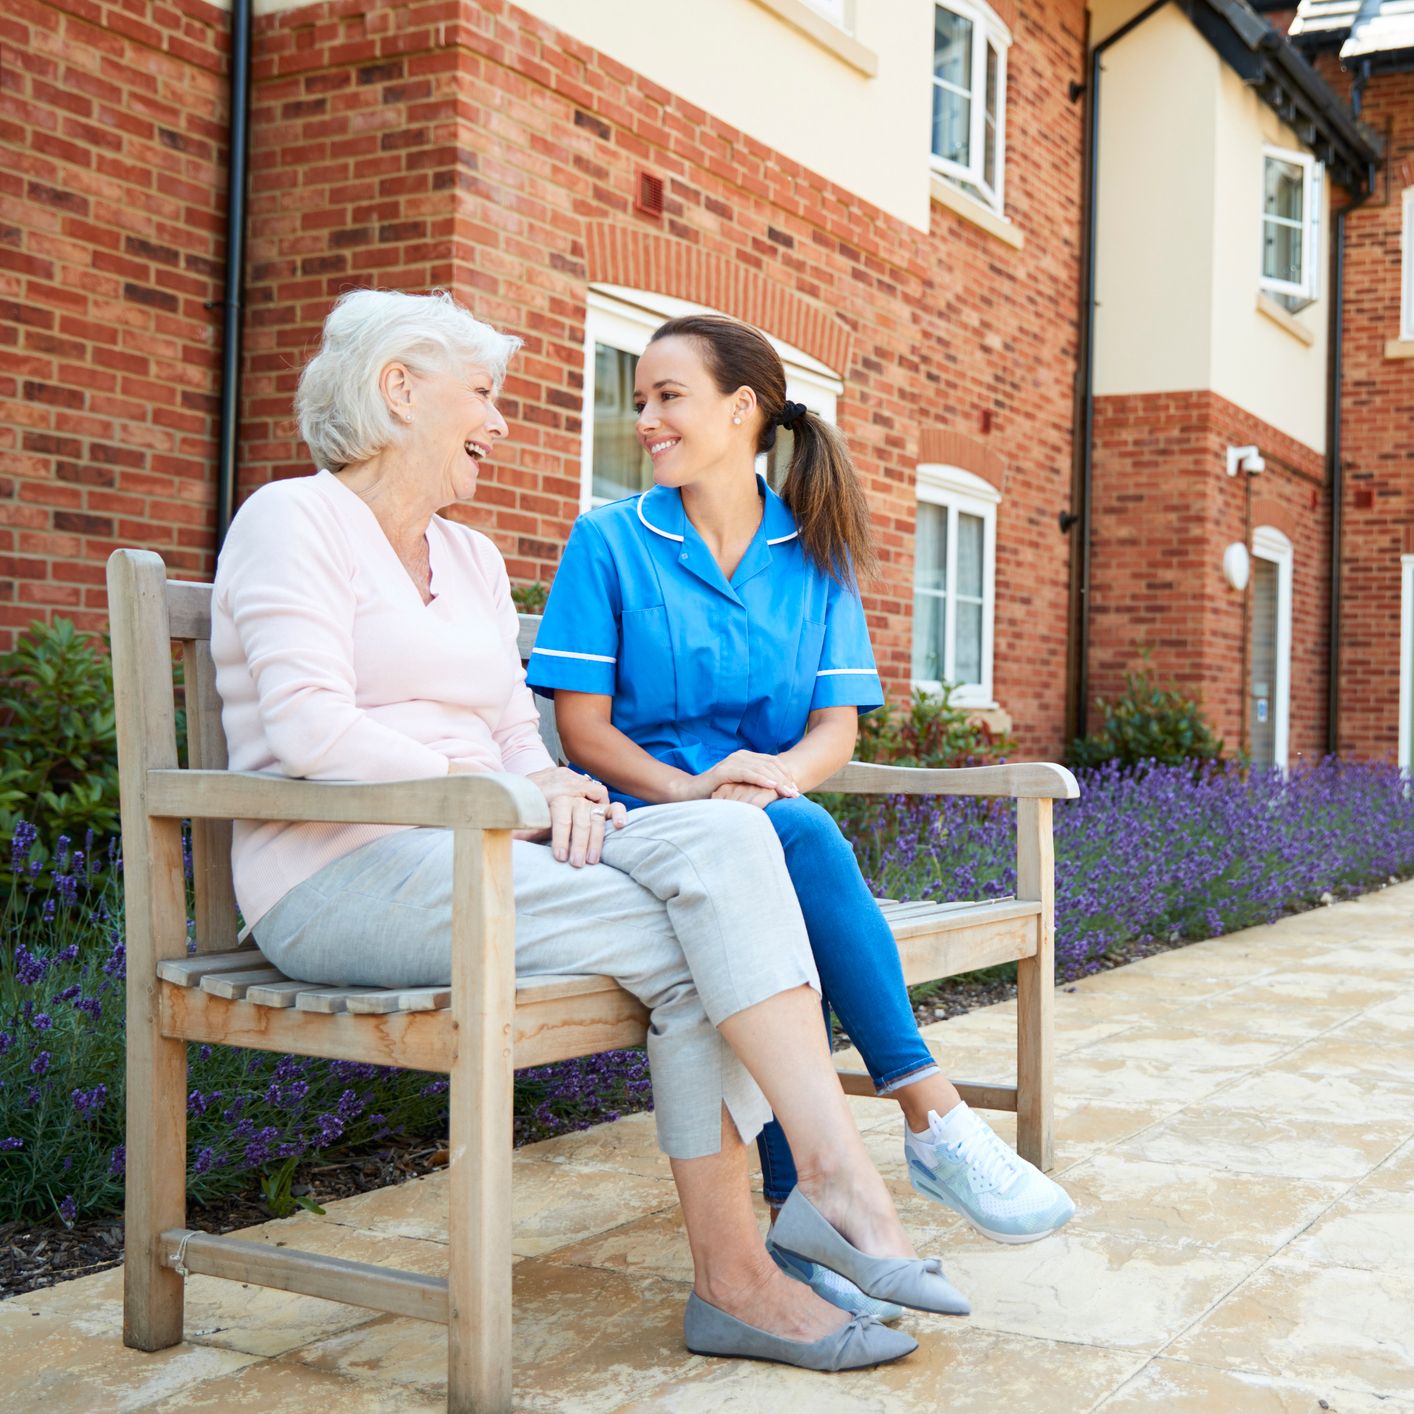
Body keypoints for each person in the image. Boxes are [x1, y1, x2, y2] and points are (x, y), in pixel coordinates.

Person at [211, 288, 968, 1374]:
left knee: (734, 841)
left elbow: (515, 736)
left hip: (484, 849)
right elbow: (309, 726)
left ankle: (810, 1204)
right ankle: (777, 1243)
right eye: (484, 396)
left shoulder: (467, 558)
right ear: (398, 391)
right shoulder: (294, 519)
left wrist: (553, 787)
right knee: (704, 942)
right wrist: (522, 797)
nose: (502, 422)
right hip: (341, 874)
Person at [527, 313, 1074, 1319]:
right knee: (798, 843)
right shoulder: (608, 539)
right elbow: (582, 733)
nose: (644, 417)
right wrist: (699, 792)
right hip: (644, 828)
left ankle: (803, 1219)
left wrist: (773, 777)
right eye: (638, 398)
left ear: (741, 409)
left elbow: (835, 727)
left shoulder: (812, 551)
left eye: (665, 396)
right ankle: (931, 1116)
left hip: (760, 825)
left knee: (783, 855)